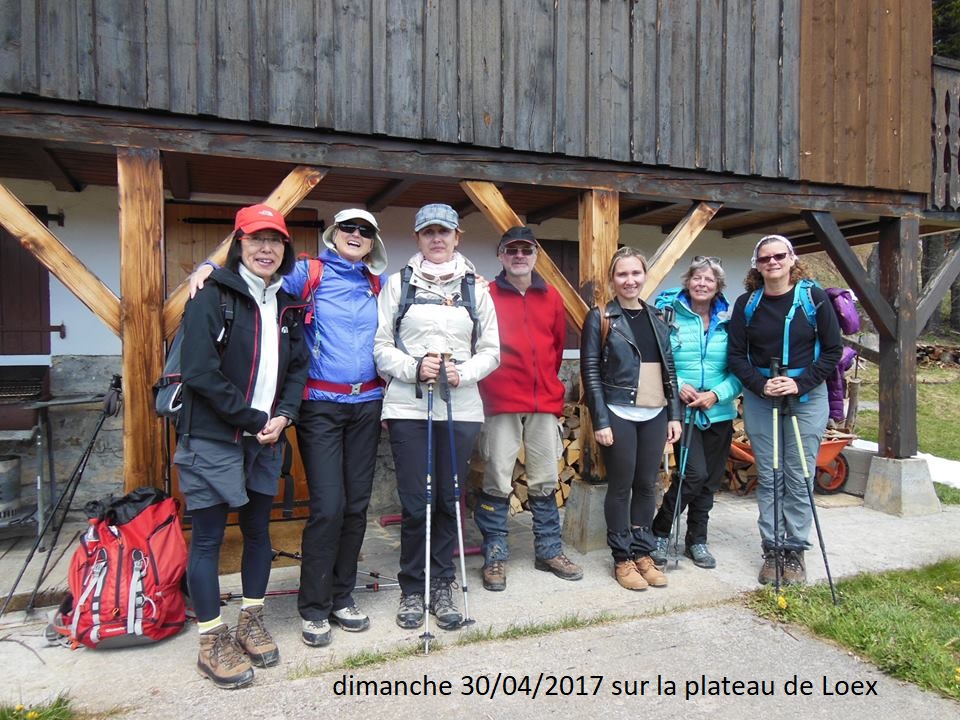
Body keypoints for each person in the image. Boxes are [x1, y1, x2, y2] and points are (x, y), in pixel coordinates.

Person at [189, 208, 388, 649]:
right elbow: (255, 270)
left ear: (373, 242)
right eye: (348, 228)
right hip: (321, 405)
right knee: (329, 507)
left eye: (365, 231)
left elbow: (419, 297)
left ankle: (342, 597)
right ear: (333, 234)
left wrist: (471, 279)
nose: (356, 235)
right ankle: (314, 606)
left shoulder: (378, 283)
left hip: (367, 404)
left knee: (356, 507)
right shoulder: (307, 272)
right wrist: (206, 266)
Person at [176, 204, 308, 689]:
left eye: (275, 240)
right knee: (208, 540)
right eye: (256, 239)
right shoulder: (213, 295)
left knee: (258, 534)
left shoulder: (288, 305)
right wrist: (253, 419)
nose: (266, 249)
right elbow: (199, 371)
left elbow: (297, 369)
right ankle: (211, 640)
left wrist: (284, 416)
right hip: (214, 437)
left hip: (264, 439)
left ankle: (251, 620)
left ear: (285, 249)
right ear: (239, 244)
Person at [373, 203, 499, 631]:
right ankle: (412, 587)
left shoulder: (475, 288)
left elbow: (492, 350)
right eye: (428, 232)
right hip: (409, 406)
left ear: (457, 236)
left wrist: (463, 372)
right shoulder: (398, 284)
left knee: (448, 499)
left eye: (444, 231)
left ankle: (442, 584)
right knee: (415, 502)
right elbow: (380, 346)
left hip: (459, 407)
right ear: (418, 238)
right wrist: (413, 367)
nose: (437, 239)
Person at [727, 235, 842, 585]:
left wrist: (799, 383)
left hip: (806, 398)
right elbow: (736, 355)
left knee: (799, 474)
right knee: (771, 474)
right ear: (757, 265)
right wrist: (761, 384)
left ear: (792, 259)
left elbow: (832, 351)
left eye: (779, 256)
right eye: (765, 259)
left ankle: (795, 550)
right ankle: (773, 548)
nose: (773, 263)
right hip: (762, 397)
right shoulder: (747, 303)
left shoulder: (814, 298)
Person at [475, 226, 583, 591]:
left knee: (545, 478)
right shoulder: (486, 295)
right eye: (512, 250)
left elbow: (556, 347)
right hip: (501, 401)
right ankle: (495, 554)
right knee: (497, 478)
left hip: (542, 402)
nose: (519, 256)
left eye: (526, 250)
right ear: (501, 255)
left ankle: (549, 550)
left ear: (536, 255)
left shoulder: (551, 296)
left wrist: (546, 384)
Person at [580, 247, 682, 591]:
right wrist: (601, 420)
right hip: (619, 411)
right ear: (612, 279)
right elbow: (590, 371)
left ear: (645, 276)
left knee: (647, 485)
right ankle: (622, 558)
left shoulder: (657, 317)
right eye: (622, 274)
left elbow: (669, 369)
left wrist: (674, 414)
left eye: (635, 273)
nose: (630, 280)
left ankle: (643, 553)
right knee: (621, 487)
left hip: (654, 413)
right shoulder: (601, 317)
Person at [649, 256, 742, 570]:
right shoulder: (669, 316)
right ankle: (660, 531)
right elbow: (658, 360)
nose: (702, 284)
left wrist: (716, 394)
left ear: (718, 286)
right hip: (684, 412)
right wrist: (679, 385)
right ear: (688, 281)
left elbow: (740, 369)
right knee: (692, 476)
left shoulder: (729, 322)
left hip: (719, 411)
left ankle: (697, 540)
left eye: (709, 279)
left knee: (710, 481)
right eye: (697, 278)